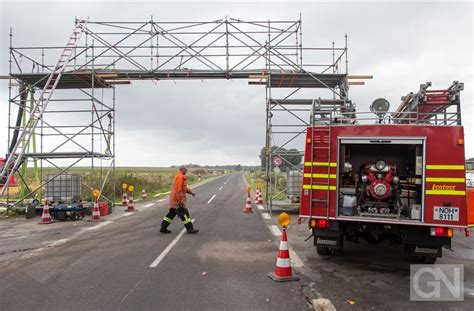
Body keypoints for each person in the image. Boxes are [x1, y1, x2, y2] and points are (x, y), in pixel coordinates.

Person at [160, 166, 199, 234]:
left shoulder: (180, 176)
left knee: (171, 214)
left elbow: (183, 188)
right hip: (177, 200)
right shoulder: (180, 177)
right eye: (186, 170)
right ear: (182, 170)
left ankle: (163, 227)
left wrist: (191, 192)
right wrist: (180, 200)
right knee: (184, 214)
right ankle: (190, 229)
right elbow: (178, 190)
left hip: (174, 200)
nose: (186, 171)